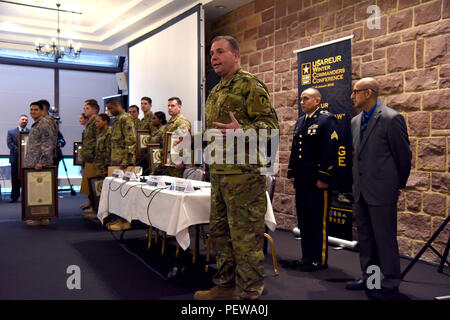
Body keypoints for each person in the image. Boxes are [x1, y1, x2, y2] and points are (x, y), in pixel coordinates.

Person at [194, 36, 279, 300]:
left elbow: (271, 127)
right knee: (220, 234)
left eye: (220, 52)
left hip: (244, 177)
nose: (214, 58)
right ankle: (226, 285)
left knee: (245, 238)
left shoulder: (250, 85)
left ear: (236, 55)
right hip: (219, 175)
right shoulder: (216, 90)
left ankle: (249, 293)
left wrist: (242, 131)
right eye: (211, 54)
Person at [346, 78, 411, 300]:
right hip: (361, 191)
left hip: (382, 191)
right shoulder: (355, 121)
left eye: (356, 92)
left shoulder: (392, 119)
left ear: (369, 93)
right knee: (366, 239)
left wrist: (398, 185)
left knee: (385, 239)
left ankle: (391, 283)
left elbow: (403, 156)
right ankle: (371, 280)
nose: (352, 96)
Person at [286, 88, 338, 271]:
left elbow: (330, 150)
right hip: (302, 180)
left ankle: (319, 259)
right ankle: (307, 257)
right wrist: (292, 173)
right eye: (301, 99)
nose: (302, 102)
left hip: (317, 180)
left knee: (317, 221)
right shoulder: (301, 122)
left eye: (306, 99)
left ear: (317, 101)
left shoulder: (326, 119)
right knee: (304, 220)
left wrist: (325, 176)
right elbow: (296, 150)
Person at [106, 98, 137, 231]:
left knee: (125, 192)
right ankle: (119, 218)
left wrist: (126, 159)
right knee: (117, 192)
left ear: (117, 106)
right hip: (116, 161)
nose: (109, 111)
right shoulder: (117, 119)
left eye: (110, 108)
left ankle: (126, 221)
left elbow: (130, 140)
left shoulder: (126, 118)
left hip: (124, 163)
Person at [24, 101, 55, 227]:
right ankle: (39, 217)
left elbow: (47, 144)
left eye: (36, 110)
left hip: (39, 164)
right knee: (36, 191)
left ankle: (41, 217)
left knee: (42, 192)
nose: (32, 112)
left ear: (42, 111)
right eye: (31, 109)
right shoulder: (35, 124)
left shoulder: (44, 123)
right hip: (33, 162)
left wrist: (42, 162)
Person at [159, 97, 191, 178]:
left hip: (177, 162)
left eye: (172, 106)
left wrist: (182, 160)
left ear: (179, 107)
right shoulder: (171, 121)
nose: (169, 108)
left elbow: (185, 141)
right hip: (169, 160)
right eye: (168, 106)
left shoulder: (182, 121)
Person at [80, 99, 100, 217]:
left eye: (87, 108)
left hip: (94, 157)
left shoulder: (96, 122)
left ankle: (95, 208)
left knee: (94, 184)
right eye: (84, 108)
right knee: (88, 184)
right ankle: (91, 204)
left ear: (94, 110)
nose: (84, 110)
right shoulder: (90, 122)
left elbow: (98, 140)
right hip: (88, 157)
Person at [6, 114, 29, 203]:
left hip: (27, 160)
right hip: (15, 159)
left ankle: (26, 197)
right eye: (23, 119)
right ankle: (14, 197)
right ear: (18, 120)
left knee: (26, 179)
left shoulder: (30, 132)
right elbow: (9, 144)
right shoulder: (11, 132)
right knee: (15, 179)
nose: (24, 121)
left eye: (26, 120)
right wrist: (21, 151)